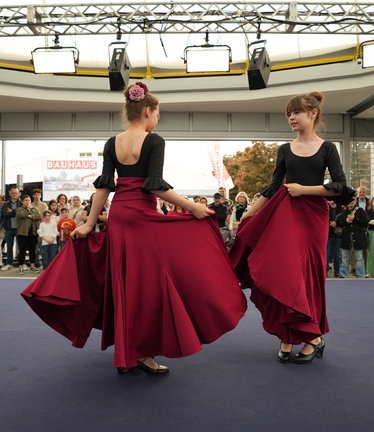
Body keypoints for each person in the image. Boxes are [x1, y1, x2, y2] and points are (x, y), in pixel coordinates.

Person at [22, 82, 246, 375]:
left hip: (119, 217)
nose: (157, 120)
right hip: (141, 219)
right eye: (158, 115)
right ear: (149, 111)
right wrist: (193, 207)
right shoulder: (154, 141)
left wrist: (89, 223)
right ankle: (141, 353)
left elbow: (104, 187)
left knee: (125, 285)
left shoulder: (112, 142)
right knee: (147, 287)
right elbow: (154, 185)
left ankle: (129, 352)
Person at [230, 91, 351, 364]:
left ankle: (312, 337)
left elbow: (340, 187)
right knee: (285, 272)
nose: (291, 118)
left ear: (312, 113)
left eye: (296, 112)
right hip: (286, 215)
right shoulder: (284, 149)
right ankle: (288, 334)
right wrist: (247, 214)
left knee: (308, 273)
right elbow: (273, 187)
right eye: (289, 114)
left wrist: (303, 190)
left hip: (314, 216)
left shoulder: (328, 148)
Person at [337, 197, 368, 279]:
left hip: (358, 237)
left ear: (355, 201)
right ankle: (343, 275)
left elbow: (365, 223)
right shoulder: (344, 212)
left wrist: (355, 219)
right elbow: (339, 224)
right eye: (349, 201)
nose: (351, 202)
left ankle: (360, 276)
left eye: (353, 200)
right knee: (344, 258)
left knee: (359, 258)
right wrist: (346, 221)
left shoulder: (360, 211)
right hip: (346, 237)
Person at [16, 194, 41, 274]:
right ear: (22, 201)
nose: (28, 202)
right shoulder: (19, 209)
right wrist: (30, 214)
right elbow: (21, 215)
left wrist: (31, 214)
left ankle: (32, 266)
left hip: (33, 233)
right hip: (22, 233)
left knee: (32, 250)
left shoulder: (34, 208)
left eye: (29, 200)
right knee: (22, 251)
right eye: (26, 200)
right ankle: (21, 267)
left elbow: (39, 216)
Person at [0, 187, 22, 271]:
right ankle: (9, 263)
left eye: (16, 193)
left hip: (19, 228)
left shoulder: (21, 203)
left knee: (21, 247)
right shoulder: (6, 203)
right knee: (9, 247)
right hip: (9, 228)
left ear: (18, 194)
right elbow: (4, 214)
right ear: (10, 194)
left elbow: (22, 213)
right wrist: (15, 212)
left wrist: (12, 211)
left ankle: (21, 263)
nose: (14, 194)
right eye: (13, 193)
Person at [326, 200, 344, 277]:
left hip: (338, 235)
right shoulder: (326, 208)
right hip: (327, 235)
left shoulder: (341, 209)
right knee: (327, 254)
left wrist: (337, 223)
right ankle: (325, 271)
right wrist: (329, 223)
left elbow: (344, 220)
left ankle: (337, 271)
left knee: (337, 255)